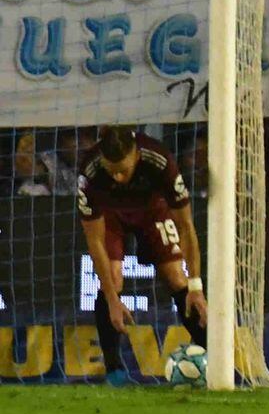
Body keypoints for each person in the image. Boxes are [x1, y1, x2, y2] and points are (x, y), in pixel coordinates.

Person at [77, 127, 207, 386]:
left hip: (153, 210)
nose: (118, 176)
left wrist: (195, 285)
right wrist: (113, 299)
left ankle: (213, 359)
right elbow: (95, 241)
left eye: (123, 169)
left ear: (136, 156)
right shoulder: (90, 172)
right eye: (111, 170)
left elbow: (186, 227)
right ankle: (114, 371)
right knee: (112, 280)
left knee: (175, 277)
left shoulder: (160, 161)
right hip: (110, 215)